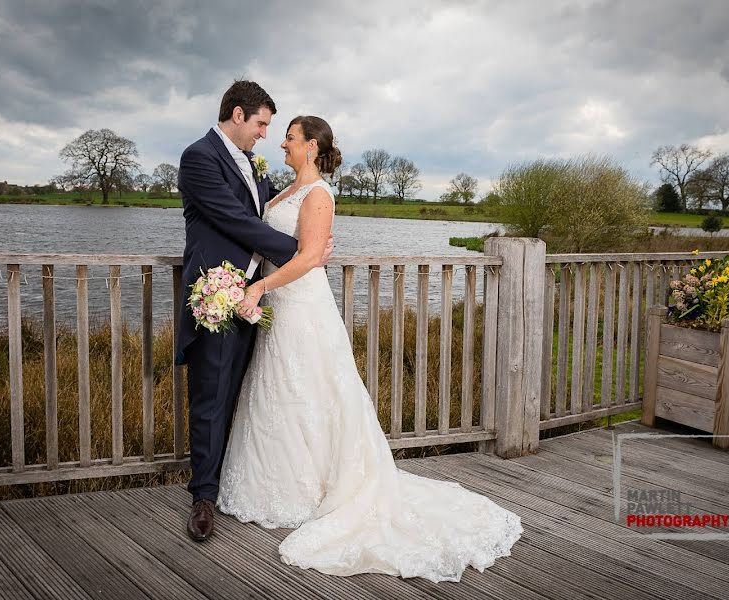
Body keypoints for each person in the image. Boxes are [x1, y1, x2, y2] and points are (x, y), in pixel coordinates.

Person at [217, 115, 523, 583]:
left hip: (301, 304)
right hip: (282, 304)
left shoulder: (319, 194)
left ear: (312, 147)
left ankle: (320, 488)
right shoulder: (282, 191)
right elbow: (286, 244)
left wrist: (259, 289)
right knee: (281, 391)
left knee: (310, 389)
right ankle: (285, 483)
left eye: (291, 137)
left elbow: (308, 256)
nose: (283, 143)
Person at [176, 81, 332, 542]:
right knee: (210, 396)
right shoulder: (199, 157)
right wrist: (303, 252)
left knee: (247, 395)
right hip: (218, 298)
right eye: (262, 123)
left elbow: (269, 214)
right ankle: (203, 497)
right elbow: (235, 220)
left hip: (261, 299)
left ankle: (240, 482)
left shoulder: (253, 165)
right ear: (238, 115)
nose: (267, 134)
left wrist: (303, 253)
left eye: (275, 128)